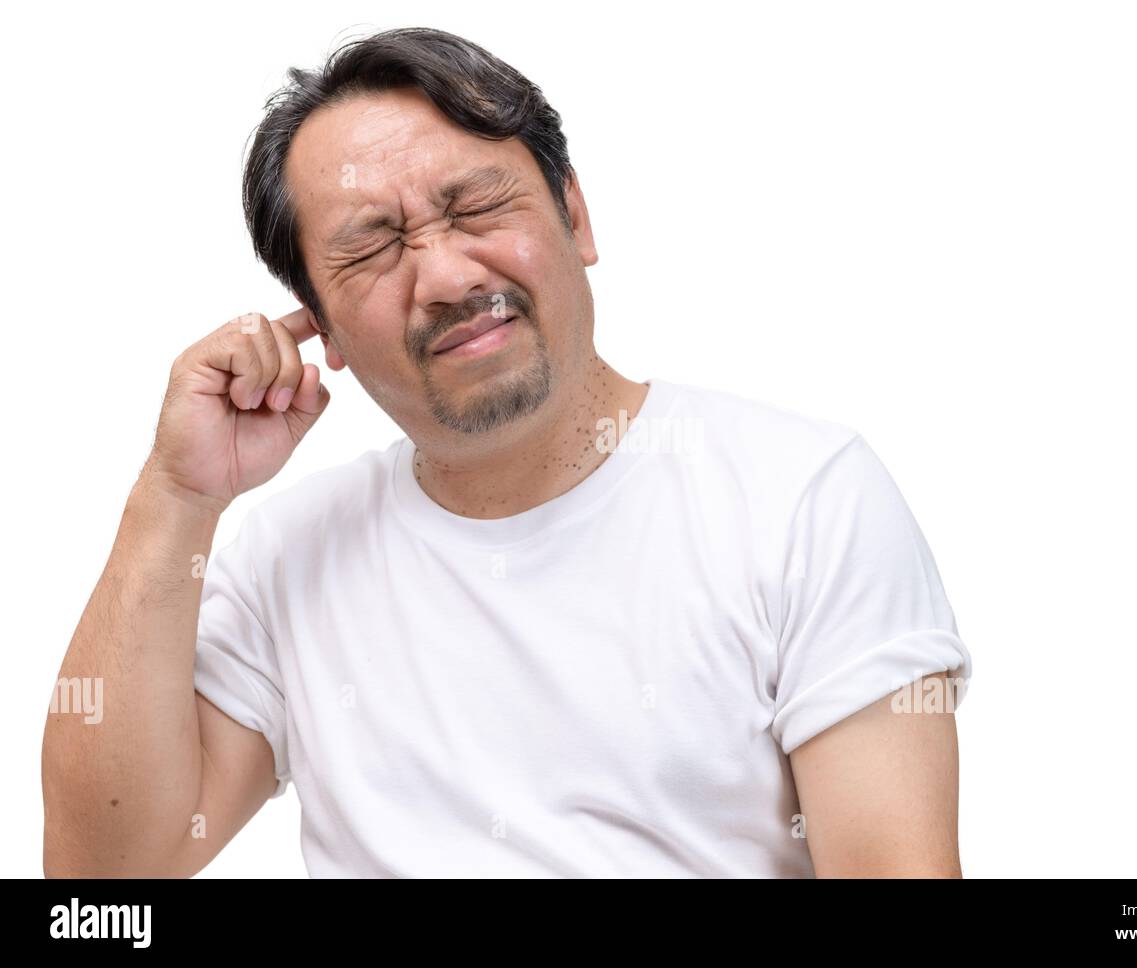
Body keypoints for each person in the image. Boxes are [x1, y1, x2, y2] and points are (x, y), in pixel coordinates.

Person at [43, 26, 972, 878]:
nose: (446, 277)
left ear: (576, 216)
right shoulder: (289, 553)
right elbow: (103, 881)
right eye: (374, 247)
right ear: (319, 326)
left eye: (479, 207)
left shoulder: (803, 498)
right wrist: (178, 496)